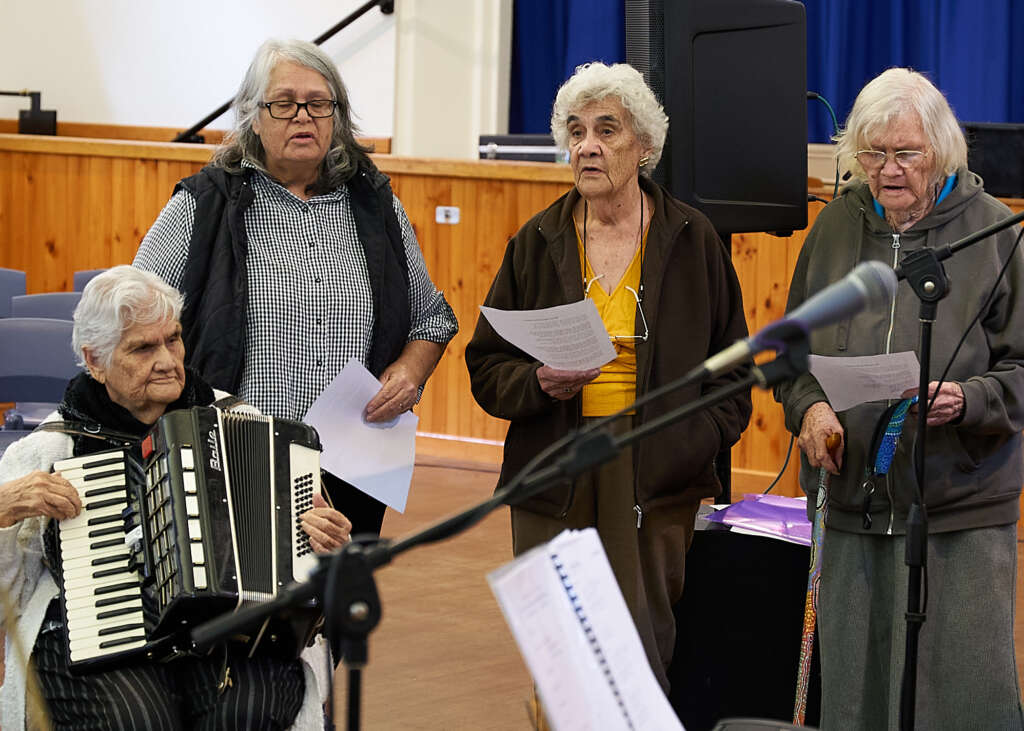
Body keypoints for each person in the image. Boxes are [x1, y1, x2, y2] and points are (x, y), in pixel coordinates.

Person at [465, 62, 752, 696]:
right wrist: (538, 382)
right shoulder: (537, 240)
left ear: (644, 147)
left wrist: (688, 443)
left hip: (652, 476)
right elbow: (486, 366)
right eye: (575, 131)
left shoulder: (691, 238)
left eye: (607, 130)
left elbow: (735, 377)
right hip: (553, 469)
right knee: (559, 662)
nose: (587, 145)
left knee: (638, 656)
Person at [775, 68, 1024, 730]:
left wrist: (968, 399)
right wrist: (809, 409)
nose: (887, 171)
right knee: (857, 700)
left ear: (939, 151)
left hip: (957, 513)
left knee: (958, 702)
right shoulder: (833, 227)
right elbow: (791, 356)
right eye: (873, 154)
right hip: (851, 501)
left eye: (904, 153)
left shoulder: (996, 233)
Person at [0, 266, 352, 730]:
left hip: (228, 633)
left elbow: (304, 559)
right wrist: (4, 511)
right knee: (137, 721)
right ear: (95, 360)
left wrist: (323, 543)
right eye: (143, 348)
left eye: (173, 339)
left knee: (250, 712)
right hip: (102, 637)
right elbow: (8, 590)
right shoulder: (52, 447)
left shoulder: (241, 423)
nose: (168, 360)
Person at [134, 38, 458, 537]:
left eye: (318, 104)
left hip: (353, 465)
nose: (303, 117)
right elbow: (136, 319)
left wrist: (409, 371)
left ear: (337, 117)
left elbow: (431, 317)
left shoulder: (376, 208)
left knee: (336, 608)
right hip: (232, 459)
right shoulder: (203, 207)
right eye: (284, 104)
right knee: (245, 610)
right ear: (253, 116)